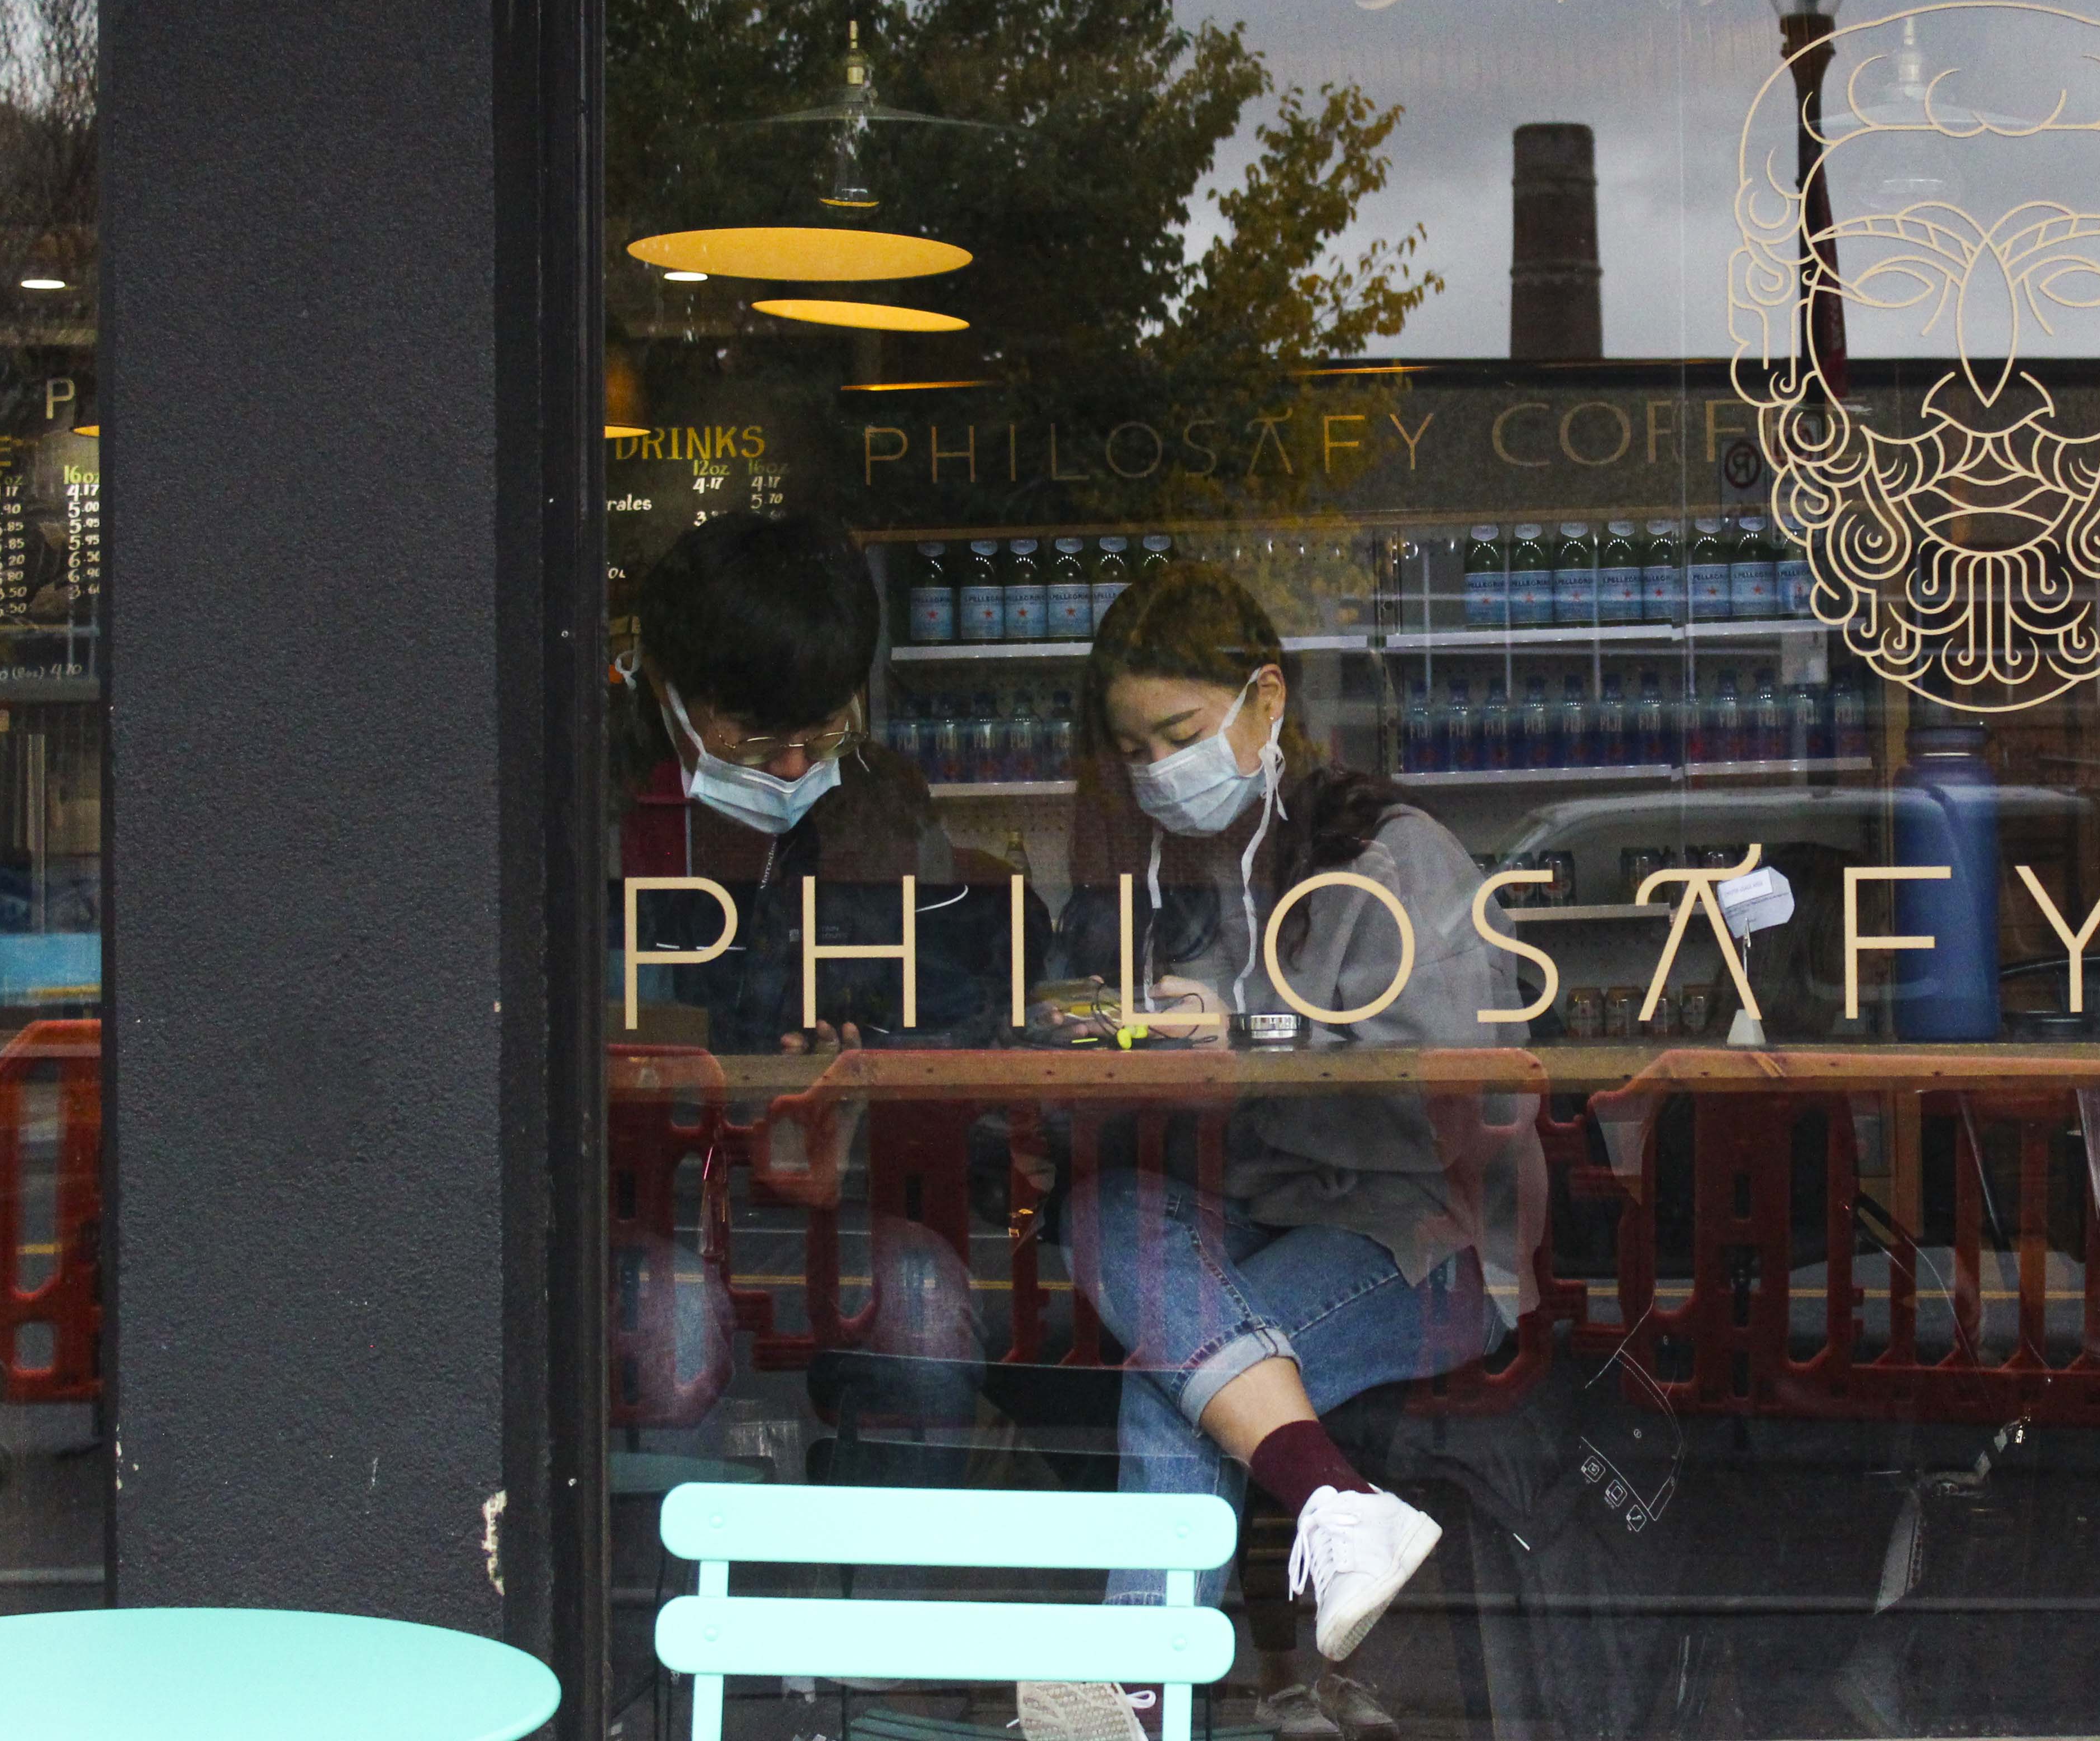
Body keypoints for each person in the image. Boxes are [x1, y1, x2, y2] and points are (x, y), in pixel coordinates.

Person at [1018, 561, 1536, 1741]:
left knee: (1179, 1379)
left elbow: (1451, 1076)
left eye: (1179, 733)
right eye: (1132, 746)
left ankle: (1126, 1709)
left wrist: (1246, 1034)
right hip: (1243, 1223)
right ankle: (1338, 1506)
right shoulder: (1157, 872)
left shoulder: (1397, 851)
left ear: (1266, 702)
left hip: (1421, 1242)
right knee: (1104, 1212)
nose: (1157, 771)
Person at [616, 512, 1040, 1431]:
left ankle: (887, 1578)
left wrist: (872, 1069)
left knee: (924, 1330)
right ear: (667, 689)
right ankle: (673, 1572)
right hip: (639, 1211)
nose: (797, 767)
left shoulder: (879, 804)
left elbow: (969, 1011)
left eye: (823, 732)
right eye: (754, 742)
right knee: (675, 1337)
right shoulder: (597, 804)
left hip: (841, 1199)